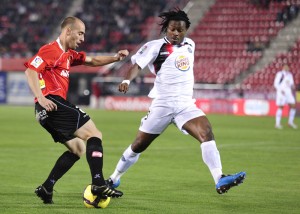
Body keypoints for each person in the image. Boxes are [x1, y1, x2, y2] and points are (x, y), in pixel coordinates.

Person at [106, 8, 246, 195]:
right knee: (138, 145)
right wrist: (126, 80)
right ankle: (114, 178)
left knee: (206, 132)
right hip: (163, 104)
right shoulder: (155, 46)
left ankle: (219, 179)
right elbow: (136, 66)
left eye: (180, 30)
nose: (176, 33)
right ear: (166, 29)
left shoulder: (190, 44)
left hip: (185, 105)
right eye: (172, 29)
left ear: (186, 29)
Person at [24, 16, 129, 204]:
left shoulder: (69, 55)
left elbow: (93, 60)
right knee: (94, 134)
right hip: (51, 103)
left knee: (78, 149)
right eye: (80, 33)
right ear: (68, 31)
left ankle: (47, 187)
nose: (82, 38)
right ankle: (98, 183)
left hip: (44, 112)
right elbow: (30, 70)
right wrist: (41, 97)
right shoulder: (51, 50)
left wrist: (115, 57)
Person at [273, 64, 298, 129]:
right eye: (285, 66)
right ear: (283, 67)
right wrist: (280, 90)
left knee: (293, 106)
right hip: (281, 93)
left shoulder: (290, 75)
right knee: (281, 107)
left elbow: (291, 83)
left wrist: (293, 87)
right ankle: (277, 124)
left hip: (288, 92)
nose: (287, 67)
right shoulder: (280, 74)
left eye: (288, 66)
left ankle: (290, 122)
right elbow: (275, 84)